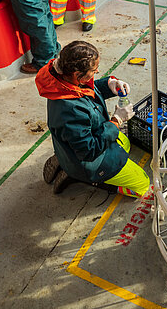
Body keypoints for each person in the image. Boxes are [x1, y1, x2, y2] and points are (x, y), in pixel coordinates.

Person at [35, 40, 150, 197]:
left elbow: (86, 92)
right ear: (78, 75)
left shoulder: (63, 80)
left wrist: (109, 84)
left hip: (75, 146)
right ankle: (87, 179)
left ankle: (64, 160)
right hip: (89, 160)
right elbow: (89, 151)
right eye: (94, 71)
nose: (96, 73)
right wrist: (116, 121)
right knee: (142, 185)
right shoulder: (70, 111)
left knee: (126, 143)